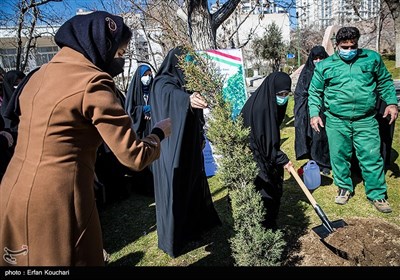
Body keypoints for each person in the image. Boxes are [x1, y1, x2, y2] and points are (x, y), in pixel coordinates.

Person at [0, 11, 171, 266]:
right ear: (103, 46)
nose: (121, 60)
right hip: (57, 201)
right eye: (121, 53)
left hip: (12, 191)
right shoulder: (92, 82)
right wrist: (158, 133)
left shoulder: (38, 75)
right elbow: (134, 156)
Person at [308, 26, 398, 213]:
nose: (349, 50)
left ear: (357, 43)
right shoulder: (326, 65)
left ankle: (377, 194)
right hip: (336, 120)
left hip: (365, 120)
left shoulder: (371, 59)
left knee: (371, 156)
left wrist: (391, 102)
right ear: (337, 45)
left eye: (353, 46)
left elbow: (385, 82)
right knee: (339, 156)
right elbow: (315, 92)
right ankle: (344, 188)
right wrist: (314, 114)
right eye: (345, 47)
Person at [149, 46, 221, 258]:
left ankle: (194, 227)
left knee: (191, 186)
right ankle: (175, 237)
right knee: (176, 187)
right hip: (171, 149)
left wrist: (199, 135)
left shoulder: (185, 84)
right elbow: (168, 96)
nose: (189, 69)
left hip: (189, 147)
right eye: (186, 64)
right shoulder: (162, 82)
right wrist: (186, 100)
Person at [240, 72, 294, 230]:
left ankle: (268, 222)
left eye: (286, 94)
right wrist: (282, 159)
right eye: (280, 94)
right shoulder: (261, 109)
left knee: (273, 179)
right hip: (255, 153)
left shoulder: (269, 102)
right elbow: (264, 143)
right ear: (272, 91)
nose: (283, 97)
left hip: (262, 149)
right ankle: (264, 228)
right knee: (265, 188)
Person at [294, 46, 331, 175]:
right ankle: (315, 160)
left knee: (325, 137)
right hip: (311, 109)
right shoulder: (307, 72)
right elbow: (300, 93)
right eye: (315, 58)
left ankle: (326, 162)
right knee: (314, 136)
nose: (318, 61)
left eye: (321, 58)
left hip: (327, 109)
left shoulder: (330, 70)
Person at [124, 64, 155, 196]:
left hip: (152, 128)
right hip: (140, 131)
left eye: (149, 75)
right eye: (145, 75)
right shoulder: (134, 92)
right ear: (139, 77)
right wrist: (143, 110)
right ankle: (143, 187)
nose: (148, 78)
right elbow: (130, 111)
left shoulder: (154, 90)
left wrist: (152, 110)